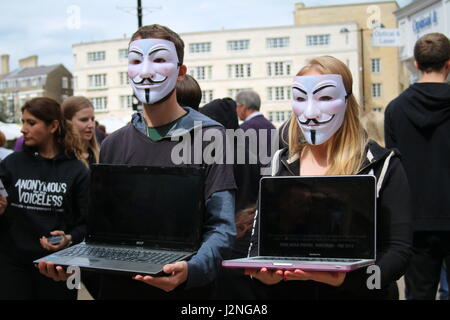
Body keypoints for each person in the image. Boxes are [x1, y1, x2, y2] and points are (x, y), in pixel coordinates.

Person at [38, 24, 236, 300]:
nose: (145, 72)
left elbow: (222, 227)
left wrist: (192, 269)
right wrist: (76, 262)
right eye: (135, 61)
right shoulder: (113, 145)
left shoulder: (210, 138)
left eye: (159, 60)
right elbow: (104, 231)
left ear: (181, 72)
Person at [246, 56, 412, 300]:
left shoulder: (382, 164)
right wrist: (259, 273)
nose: (311, 112)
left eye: (325, 97)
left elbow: (399, 253)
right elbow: (257, 245)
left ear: (346, 101)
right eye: (301, 98)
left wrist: (354, 281)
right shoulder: (279, 164)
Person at [0, 97, 89, 300]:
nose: (23, 129)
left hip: (57, 270)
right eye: (23, 122)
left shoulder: (76, 171)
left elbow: (87, 224)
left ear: (53, 126)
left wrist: (68, 238)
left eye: (31, 123)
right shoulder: (11, 164)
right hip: (13, 267)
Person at [384, 32, 450, 300]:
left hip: (415, 219)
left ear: (416, 64)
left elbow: (394, 168)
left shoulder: (395, 109)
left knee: (418, 294)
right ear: (448, 64)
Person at [62, 96, 100, 167]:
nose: (91, 125)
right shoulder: (63, 157)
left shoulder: (99, 154)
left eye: (92, 119)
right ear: (67, 122)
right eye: (84, 120)